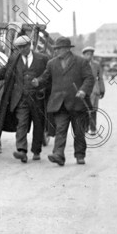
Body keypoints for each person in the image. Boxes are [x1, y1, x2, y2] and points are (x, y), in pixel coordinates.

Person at [32, 36, 94, 166]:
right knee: (60, 129)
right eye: (56, 49)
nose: (56, 51)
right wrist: (38, 81)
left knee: (79, 131)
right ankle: (58, 154)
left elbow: (89, 78)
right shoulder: (51, 63)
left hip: (77, 103)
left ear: (66, 49)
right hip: (60, 104)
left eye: (58, 49)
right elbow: (45, 77)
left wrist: (83, 90)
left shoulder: (81, 62)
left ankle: (80, 155)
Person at [0, 34, 49, 162]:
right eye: (19, 47)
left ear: (29, 45)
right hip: (20, 99)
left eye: (23, 47)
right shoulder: (14, 59)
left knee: (39, 125)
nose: (21, 49)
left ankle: (36, 151)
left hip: (37, 98)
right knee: (21, 124)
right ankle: (21, 151)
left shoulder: (42, 59)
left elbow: (48, 76)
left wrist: (39, 82)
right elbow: (4, 72)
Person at [81, 46, 105, 134]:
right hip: (83, 89)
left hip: (94, 89)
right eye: (87, 54)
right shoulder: (80, 64)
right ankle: (84, 127)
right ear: (83, 55)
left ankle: (93, 128)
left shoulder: (96, 65)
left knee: (94, 109)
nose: (89, 56)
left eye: (91, 54)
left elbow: (100, 78)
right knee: (84, 109)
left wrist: (102, 89)